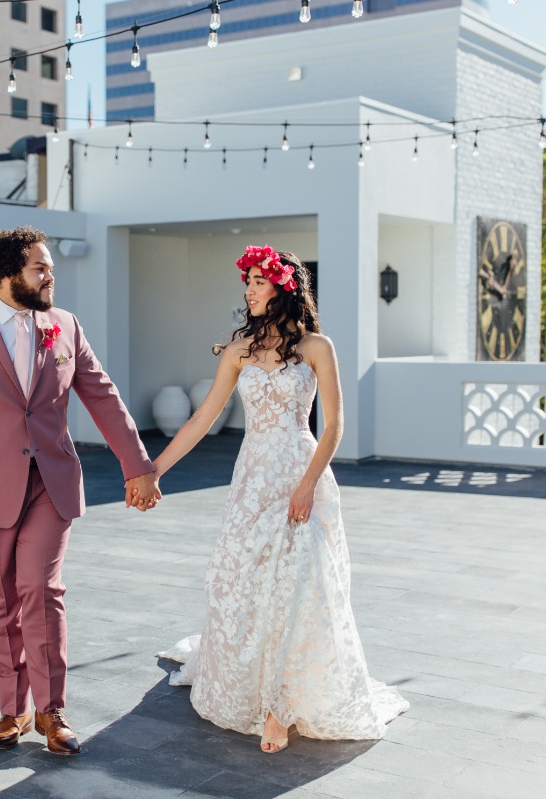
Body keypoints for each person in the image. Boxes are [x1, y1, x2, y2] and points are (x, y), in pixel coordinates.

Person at [0, 226, 162, 756]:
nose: (51, 276)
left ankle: (51, 711)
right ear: (7, 275)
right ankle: (12, 709)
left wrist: (137, 465)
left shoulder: (64, 325)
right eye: (40, 268)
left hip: (52, 480)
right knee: (1, 599)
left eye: (49, 267)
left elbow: (102, 394)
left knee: (40, 591)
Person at [153, 245, 408, 753]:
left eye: (257, 282)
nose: (248, 290)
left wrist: (308, 484)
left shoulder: (316, 347)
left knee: (299, 584)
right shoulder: (239, 351)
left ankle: (279, 707)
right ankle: (259, 690)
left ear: (283, 288)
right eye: (246, 282)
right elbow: (202, 422)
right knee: (246, 580)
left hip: (300, 468)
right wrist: (152, 471)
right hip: (252, 478)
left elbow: (333, 425)